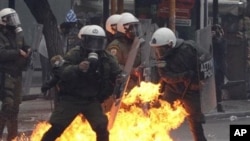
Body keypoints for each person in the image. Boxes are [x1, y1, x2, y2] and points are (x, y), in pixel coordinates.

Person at [40, 25, 122, 141]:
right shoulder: (75, 54)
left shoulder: (106, 57)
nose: (95, 46)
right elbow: (62, 71)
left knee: (102, 128)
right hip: (72, 99)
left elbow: (118, 72)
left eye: (98, 42)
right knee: (57, 127)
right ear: (84, 41)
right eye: (91, 41)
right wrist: (77, 68)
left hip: (91, 99)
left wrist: (119, 79)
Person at [149, 27, 208, 141]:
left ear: (170, 44)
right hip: (173, 89)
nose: (159, 53)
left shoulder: (190, 49)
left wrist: (198, 77)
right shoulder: (161, 58)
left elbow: (205, 62)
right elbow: (166, 76)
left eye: (161, 49)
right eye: (157, 49)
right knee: (158, 112)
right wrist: (184, 76)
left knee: (195, 121)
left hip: (191, 89)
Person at [0, 8, 31, 141]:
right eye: (10, 18)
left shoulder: (18, 33)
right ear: (3, 20)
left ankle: (12, 138)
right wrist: (17, 53)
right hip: (5, 74)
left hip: (17, 74)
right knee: (8, 106)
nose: (15, 21)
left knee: (15, 109)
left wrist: (27, 50)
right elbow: (1, 54)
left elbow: (24, 46)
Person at [106, 13, 143, 91]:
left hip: (137, 84)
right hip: (122, 87)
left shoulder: (137, 43)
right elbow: (113, 66)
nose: (134, 31)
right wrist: (132, 70)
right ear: (123, 29)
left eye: (136, 27)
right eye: (132, 28)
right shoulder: (116, 46)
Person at [212, 24, 226, 112]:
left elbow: (222, 50)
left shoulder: (222, 41)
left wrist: (218, 38)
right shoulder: (210, 40)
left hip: (219, 66)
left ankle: (219, 104)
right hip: (212, 65)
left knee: (218, 86)